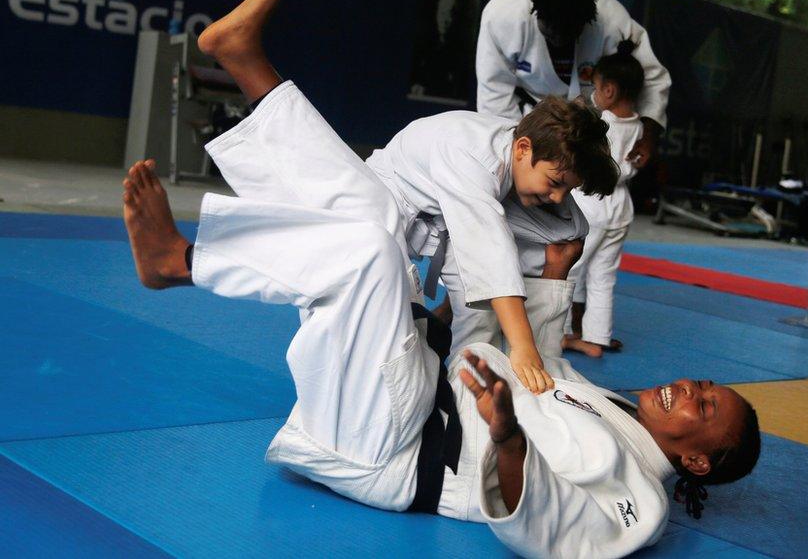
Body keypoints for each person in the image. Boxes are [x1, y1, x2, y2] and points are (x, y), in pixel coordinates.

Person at [120, 118, 760, 559]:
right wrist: (555, 282)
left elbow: (541, 527)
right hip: (416, 392)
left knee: (369, 254)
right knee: (372, 223)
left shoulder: (641, 504)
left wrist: (508, 437)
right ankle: (254, 80)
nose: (687, 388)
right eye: (704, 385)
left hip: (391, 445)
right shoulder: (604, 404)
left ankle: (181, 262)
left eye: (703, 406)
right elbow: (520, 362)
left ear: (696, 462)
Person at [196, 0, 619, 395]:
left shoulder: (531, 164)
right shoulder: (471, 154)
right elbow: (488, 252)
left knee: (557, 238)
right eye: (555, 182)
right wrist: (525, 348)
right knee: (350, 237)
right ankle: (242, 58)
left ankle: (465, 373)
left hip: (440, 222)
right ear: (524, 148)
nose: (557, 195)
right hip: (389, 197)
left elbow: (561, 231)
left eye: (568, 188)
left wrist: (556, 278)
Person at [475, 0, 670, 145]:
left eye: (569, 33)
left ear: (586, 22)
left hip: (593, 120)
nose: (559, 39)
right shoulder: (503, 17)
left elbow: (651, 77)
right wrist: (516, 144)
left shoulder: (611, 20)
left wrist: (648, 136)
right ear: (536, 13)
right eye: (551, 31)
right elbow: (494, 96)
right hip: (529, 113)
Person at [563, 40, 650, 357]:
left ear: (609, 91)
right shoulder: (638, 125)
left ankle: (560, 331)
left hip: (592, 206)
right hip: (620, 209)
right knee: (603, 275)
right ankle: (598, 334)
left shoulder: (603, 124)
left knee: (570, 268)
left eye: (596, 88)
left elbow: (595, 163)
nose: (594, 94)